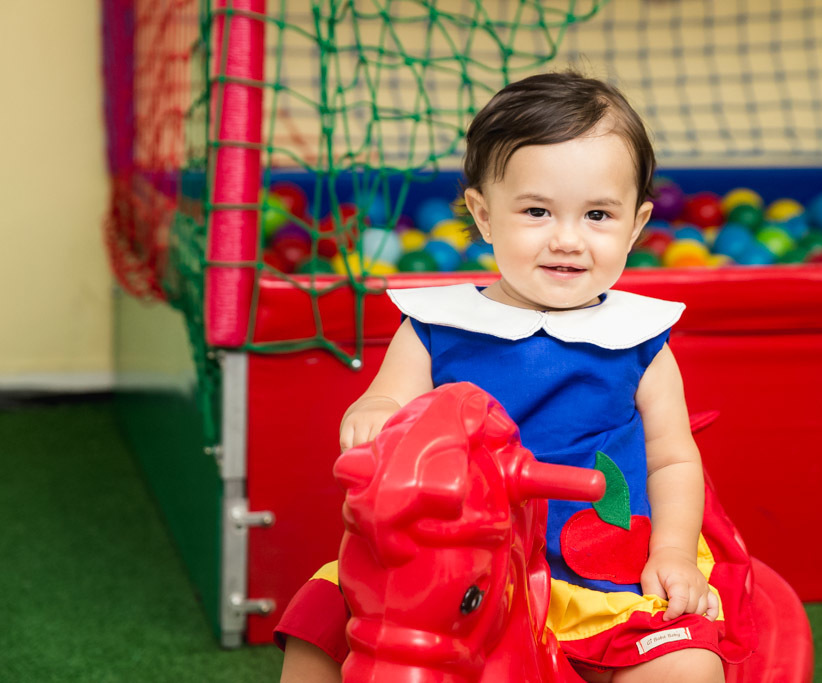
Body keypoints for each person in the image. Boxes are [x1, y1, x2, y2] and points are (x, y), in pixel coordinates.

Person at [278, 70, 753, 683]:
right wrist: (373, 413)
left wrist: (672, 553)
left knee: (688, 668)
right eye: (536, 211)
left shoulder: (638, 340)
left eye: (598, 215)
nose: (567, 239)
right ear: (483, 214)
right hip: (448, 569)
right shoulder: (438, 326)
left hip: (598, 573)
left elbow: (671, 460)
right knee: (321, 625)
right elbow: (386, 402)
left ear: (636, 226)